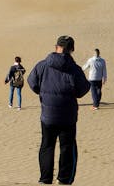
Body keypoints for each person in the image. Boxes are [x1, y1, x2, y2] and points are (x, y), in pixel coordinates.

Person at [28, 35, 90, 185]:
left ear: (56, 47)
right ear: (72, 50)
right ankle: (64, 180)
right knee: (67, 147)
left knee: (47, 146)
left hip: (48, 115)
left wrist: (44, 93)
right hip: (67, 117)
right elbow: (82, 90)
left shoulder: (42, 65)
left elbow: (32, 82)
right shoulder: (74, 70)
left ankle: (45, 179)